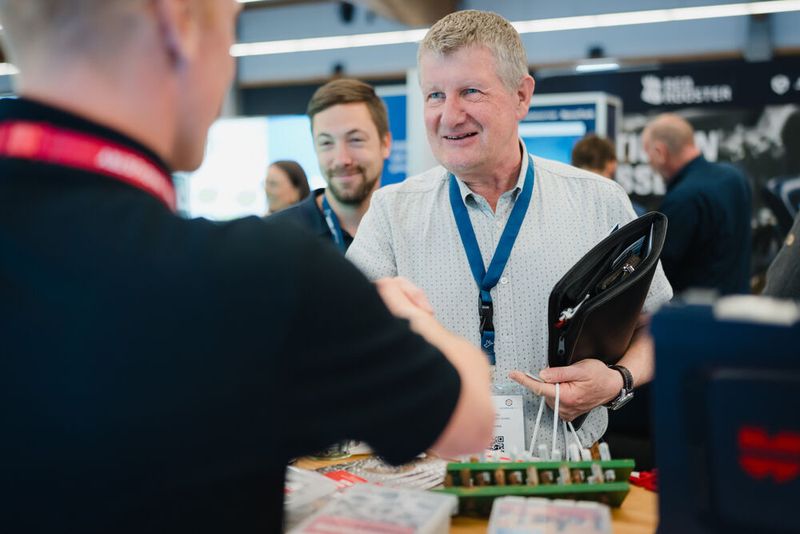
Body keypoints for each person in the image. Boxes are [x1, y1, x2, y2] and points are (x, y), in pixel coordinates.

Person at [0, 1, 494, 532]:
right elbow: (468, 421)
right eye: (229, 30)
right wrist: (406, 314)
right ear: (178, 23)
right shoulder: (264, 274)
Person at [347, 10, 673, 450]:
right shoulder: (392, 211)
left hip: (568, 469)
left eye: (470, 92)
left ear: (521, 95)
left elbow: (657, 325)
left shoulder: (598, 201)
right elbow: (343, 342)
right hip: (431, 471)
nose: (449, 115)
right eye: (435, 95)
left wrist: (618, 381)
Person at [270, 78, 390, 253]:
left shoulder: (410, 230)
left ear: (385, 144)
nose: (342, 159)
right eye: (326, 143)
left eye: (355, 139)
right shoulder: (276, 237)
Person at [642, 113, 752, 295]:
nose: (650, 164)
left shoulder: (682, 198)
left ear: (660, 152)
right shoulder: (735, 177)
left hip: (697, 316)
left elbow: (660, 273)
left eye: (649, 156)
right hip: (739, 307)